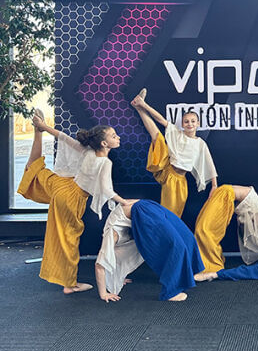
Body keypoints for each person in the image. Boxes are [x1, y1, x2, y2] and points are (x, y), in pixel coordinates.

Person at [17, 109, 133, 294]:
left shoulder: (88, 151)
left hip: (62, 185)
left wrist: (43, 127)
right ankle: (70, 285)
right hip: (71, 198)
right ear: (104, 143)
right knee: (68, 240)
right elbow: (106, 190)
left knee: (34, 168)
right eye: (114, 136)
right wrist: (123, 202)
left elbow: (63, 138)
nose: (118, 137)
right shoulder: (105, 163)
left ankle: (37, 133)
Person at [95, 199, 205, 301]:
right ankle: (178, 284)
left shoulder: (111, 235)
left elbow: (99, 265)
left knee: (178, 243)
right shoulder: (115, 237)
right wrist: (119, 279)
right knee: (186, 238)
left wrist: (103, 294)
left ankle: (178, 285)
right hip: (147, 205)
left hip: (143, 210)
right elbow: (118, 261)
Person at [131, 90, 217, 217]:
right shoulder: (177, 134)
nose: (190, 124)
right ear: (182, 124)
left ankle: (138, 106)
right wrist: (145, 106)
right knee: (158, 138)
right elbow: (160, 119)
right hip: (167, 171)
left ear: (198, 124)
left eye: (193, 121)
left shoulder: (200, 143)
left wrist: (214, 185)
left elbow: (209, 164)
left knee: (175, 213)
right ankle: (140, 105)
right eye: (186, 121)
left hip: (181, 181)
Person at [194, 185, 258, 273]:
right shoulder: (253, 206)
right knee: (204, 230)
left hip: (226, 193)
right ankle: (210, 264)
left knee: (204, 230)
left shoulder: (252, 205)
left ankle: (211, 264)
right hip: (225, 193)